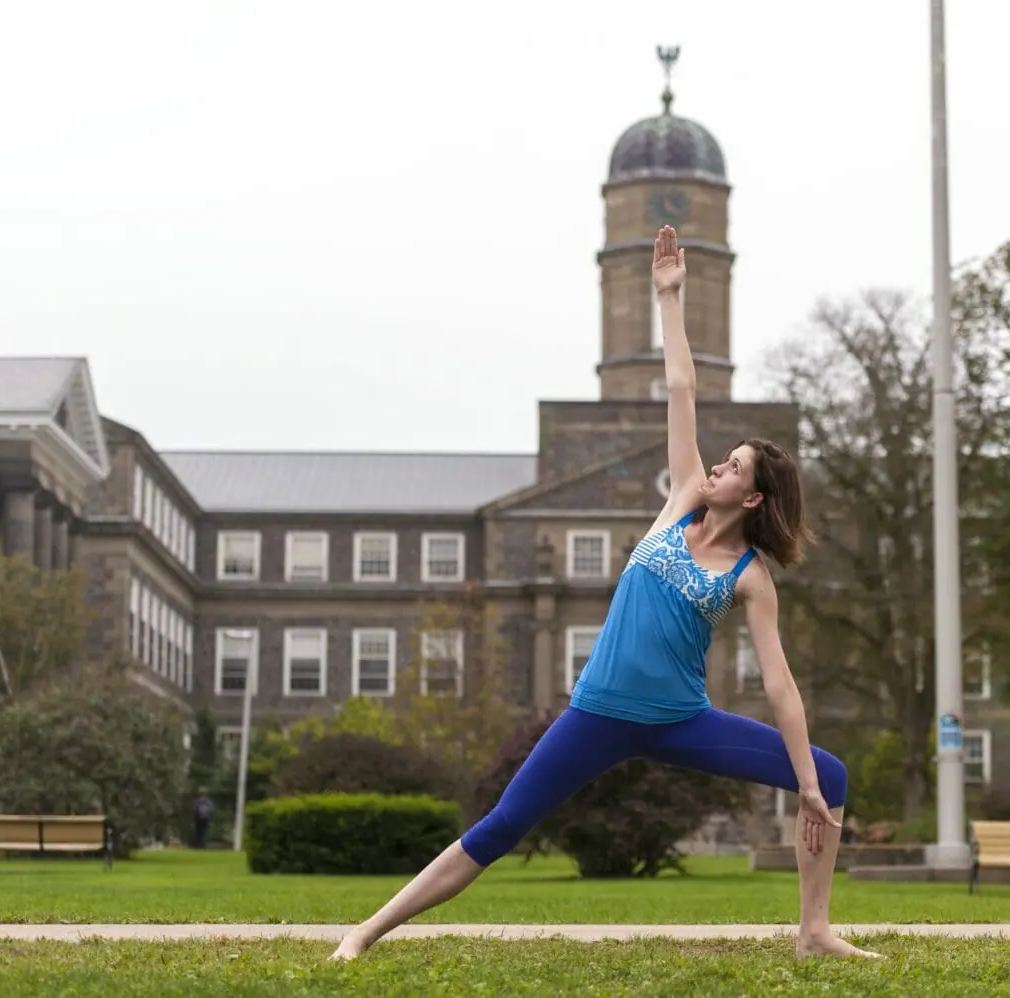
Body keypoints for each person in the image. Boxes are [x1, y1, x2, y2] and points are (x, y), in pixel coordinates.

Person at [331, 226, 880, 962]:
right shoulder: (681, 501)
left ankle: (813, 931)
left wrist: (807, 784)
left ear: (752, 498)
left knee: (836, 774)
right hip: (597, 713)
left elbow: (779, 685)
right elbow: (682, 388)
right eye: (721, 458)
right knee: (501, 826)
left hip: (680, 720)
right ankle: (364, 932)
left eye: (734, 466)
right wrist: (669, 296)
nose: (717, 466)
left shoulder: (750, 576)